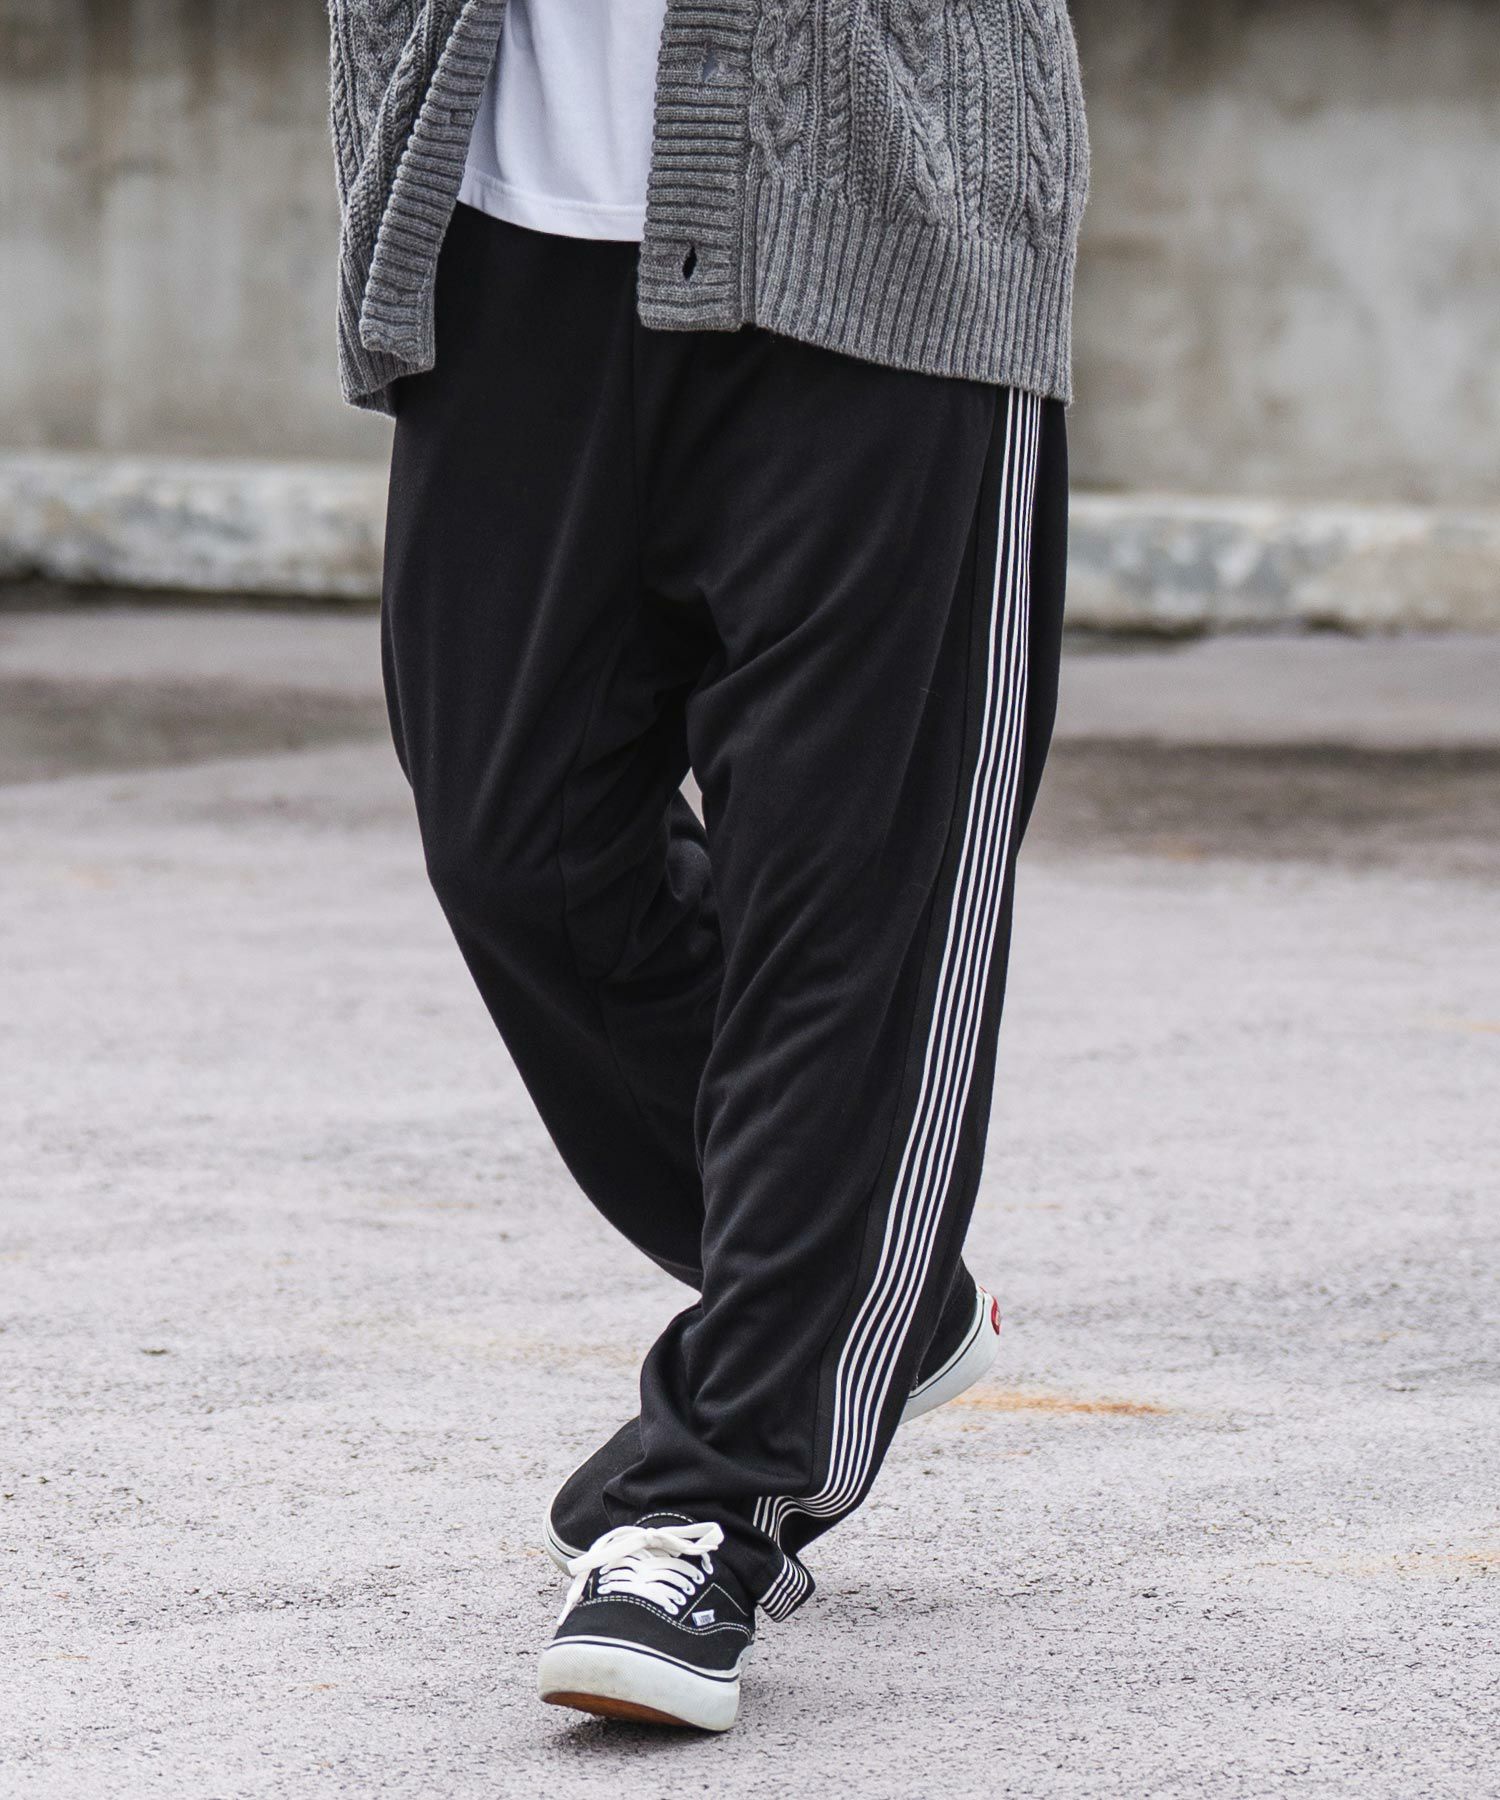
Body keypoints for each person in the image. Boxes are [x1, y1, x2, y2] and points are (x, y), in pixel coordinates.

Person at [327, 0, 1088, 1734]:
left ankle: (713, 1498)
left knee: (851, 906)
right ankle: (867, 1290)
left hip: (881, 231)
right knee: (518, 849)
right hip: (502, 228)